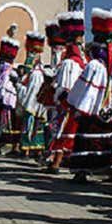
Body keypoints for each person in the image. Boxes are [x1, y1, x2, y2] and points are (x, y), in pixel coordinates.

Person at [67, 8, 112, 183]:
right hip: (110, 112)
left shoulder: (94, 65)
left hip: (92, 113)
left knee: (87, 139)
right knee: (111, 140)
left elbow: (84, 90)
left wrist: (74, 103)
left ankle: (82, 172)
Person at [46, 11, 87, 174]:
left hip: (68, 103)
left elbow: (64, 86)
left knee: (63, 133)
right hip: (80, 103)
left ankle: (56, 163)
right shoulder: (83, 61)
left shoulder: (69, 63)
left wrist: (58, 96)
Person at [17, 32, 47, 157]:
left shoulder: (35, 74)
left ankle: (27, 149)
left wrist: (19, 88)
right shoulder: (40, 72)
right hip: (38, 101)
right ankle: (37, 150)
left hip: (33, 100)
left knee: (31, 125)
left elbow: (28, 87)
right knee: (36, 125)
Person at [0, 37, 21, 154]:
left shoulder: (12, 73)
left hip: (9, 104)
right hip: (0, 104)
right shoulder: (0, 75)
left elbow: (10, 89)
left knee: (10, 125)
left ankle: (14, 148)